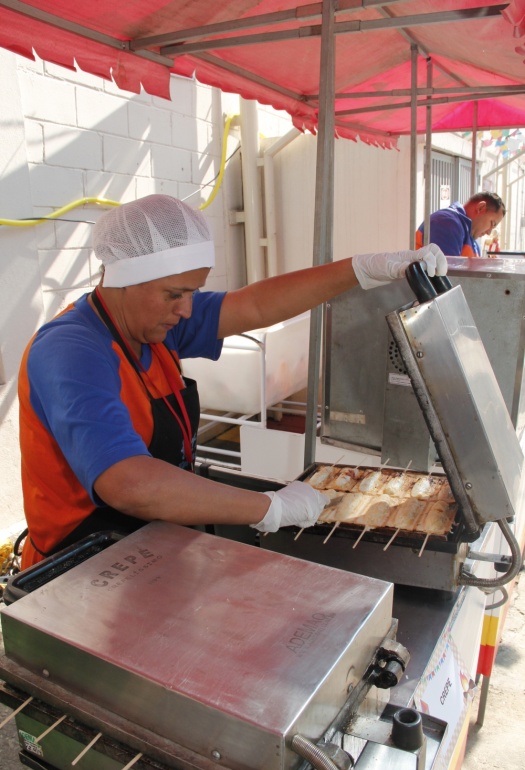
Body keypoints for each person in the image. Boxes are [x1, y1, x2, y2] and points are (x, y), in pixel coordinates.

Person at [18, 194, 447, 570]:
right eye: (174, 294)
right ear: (123, 281)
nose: (186, 310)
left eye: (193, 292)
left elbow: (255, 305)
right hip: (81, 565)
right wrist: (269, 508)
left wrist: (362, 269)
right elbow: (129, 483)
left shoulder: (154, 324)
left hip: (152, 542)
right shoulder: (72, 350)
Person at [415, 191, 505, 257]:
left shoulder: (470, 237)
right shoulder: (447, 223)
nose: (489, 232)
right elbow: (446, 276)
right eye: (492, 223)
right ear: (481, 208)